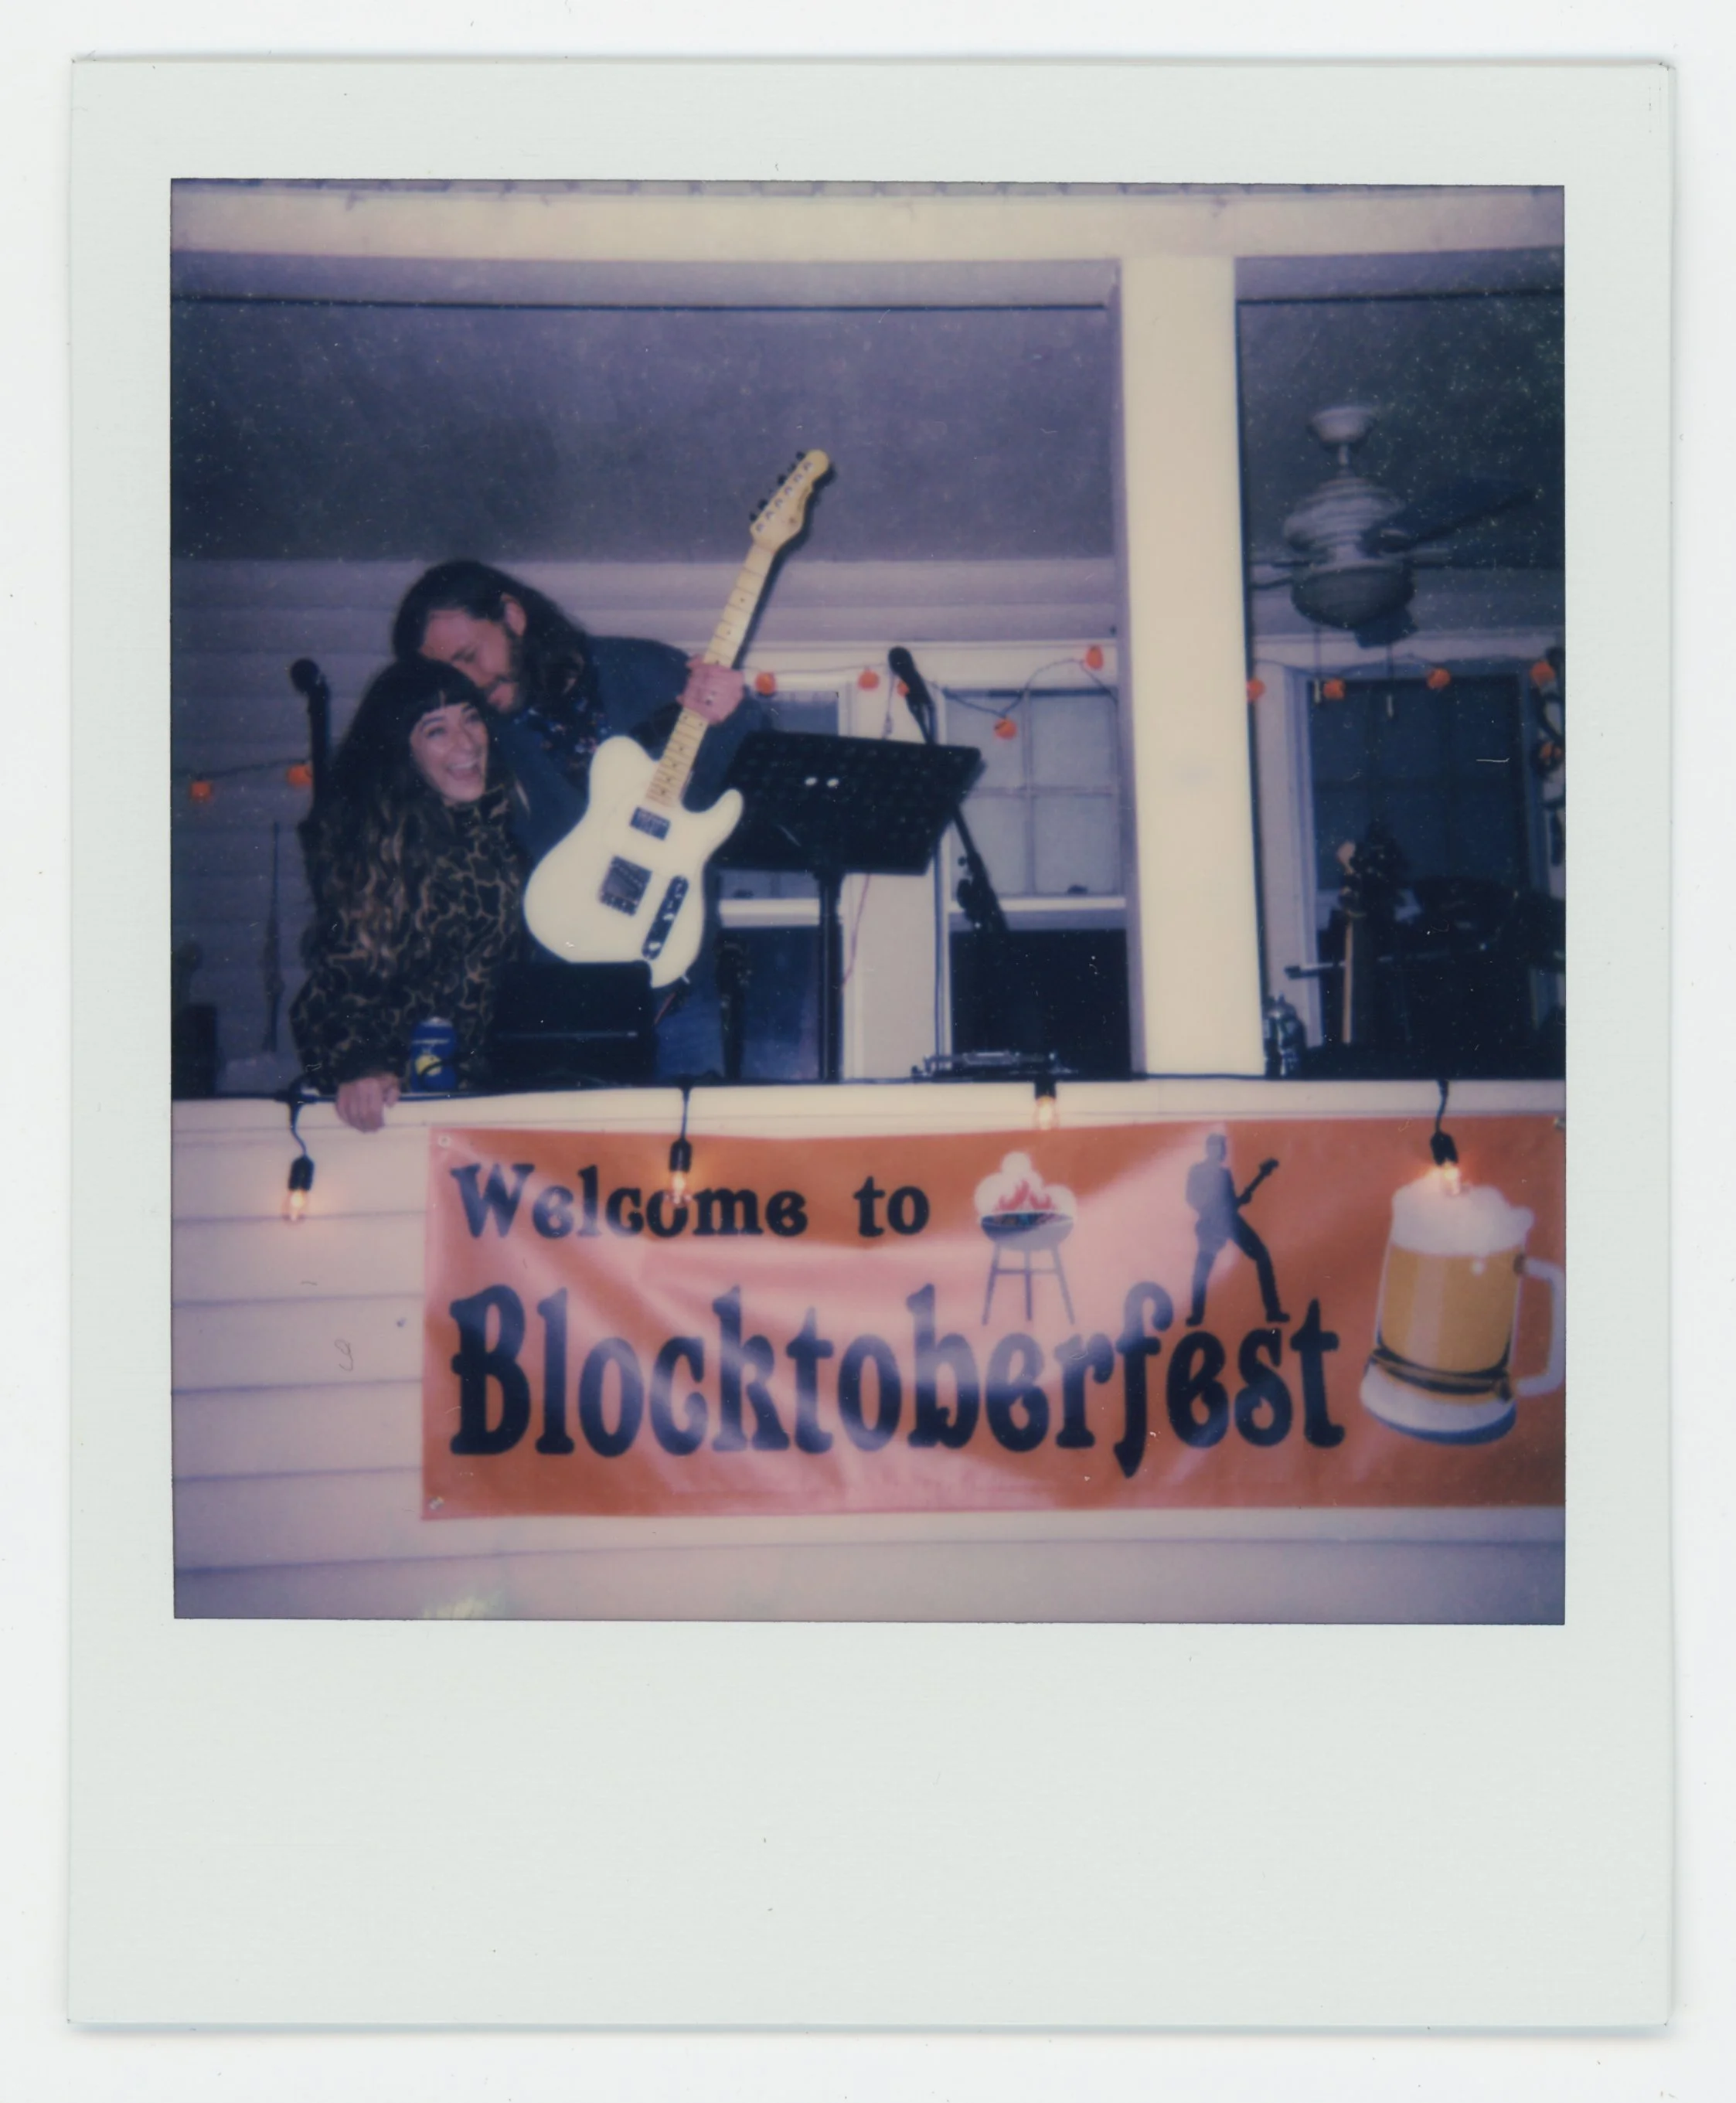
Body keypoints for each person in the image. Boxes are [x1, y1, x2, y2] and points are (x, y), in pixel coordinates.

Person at [391, 562, 761, 1077]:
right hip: (561, 1003)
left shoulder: (644, 669)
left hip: (680, 989)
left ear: (513, 617)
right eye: (452, 672)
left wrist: (737, 715)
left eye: (471, 655)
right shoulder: (478, 736)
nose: (469, 682)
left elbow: (753, 789)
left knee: (692, 1153)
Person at [291, 658, 527, 1132]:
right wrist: (359, 1068)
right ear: (402, 750)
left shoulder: (504, 820)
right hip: (399, 1104)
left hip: (491, 1096)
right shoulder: (375, 851)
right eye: (437, 730)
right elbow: (328, 999)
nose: (467, 743)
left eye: (472, 718)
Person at [1184, 1134, 1288, 1328]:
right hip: (1210, 1222)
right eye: (1215, 1147)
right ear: (1208, 1149)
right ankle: (1196, 1315)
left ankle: (1273, 1311)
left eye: (1221, 1147)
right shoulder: (1196, 1171)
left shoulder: (1225, 1175)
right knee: (1202, 1269)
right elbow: (1191, 1197)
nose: (1219, 1151)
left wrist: (1242, 1199)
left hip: (1230, 1221)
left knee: (1262, 1255)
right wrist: (1211, 1209)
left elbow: (1232, 1203)